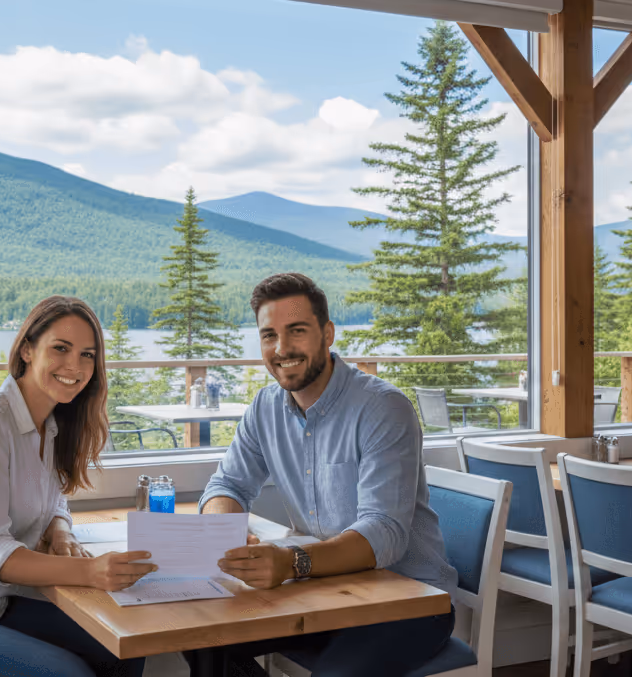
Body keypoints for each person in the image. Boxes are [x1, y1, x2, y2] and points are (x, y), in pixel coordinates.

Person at [193, 273, 458, 677]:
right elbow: (227, 484)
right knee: (201, 640)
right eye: (269, 335)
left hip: (408, 600)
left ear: (328, 334)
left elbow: (383, 532)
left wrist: (291, 563)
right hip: (324, 590)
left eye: (297, 331)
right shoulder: (265, 408)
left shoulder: (383, 408)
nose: (282, 348)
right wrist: (222, 533)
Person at [0, 296, 152, 677]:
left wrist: (60, 529)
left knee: (125, 644)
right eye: (61, 349)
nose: (75, 366)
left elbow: (54, 501)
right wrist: (91, 571)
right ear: (27, 350)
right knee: (68, 673)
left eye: (87, 355)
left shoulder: (49, 424)